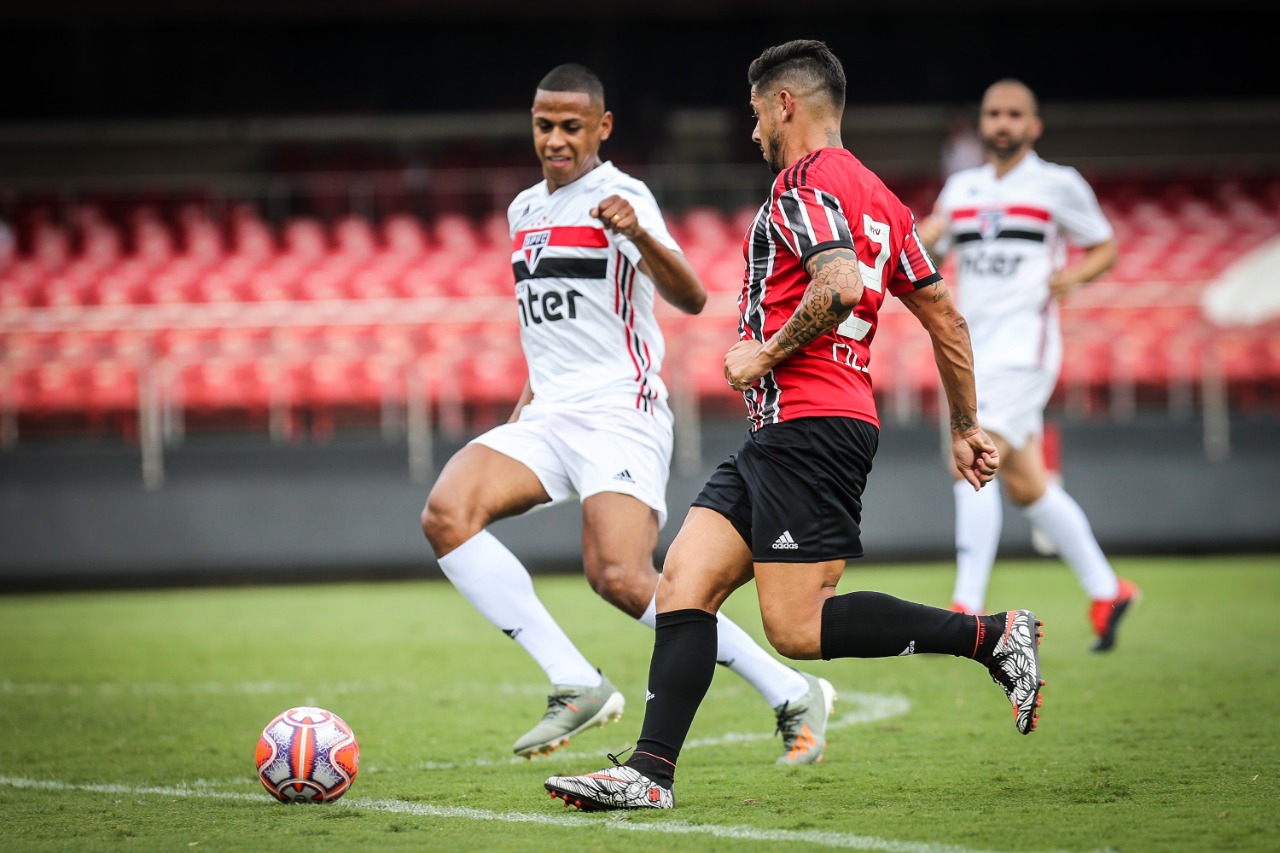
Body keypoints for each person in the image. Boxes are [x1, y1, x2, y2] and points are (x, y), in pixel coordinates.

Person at [544, 40, 1043, 812]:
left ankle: (992, 636)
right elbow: (943, 312)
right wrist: (965, 424)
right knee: (685, 581)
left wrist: (765, 352)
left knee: (797, 628)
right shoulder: (881, 197)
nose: (752, 135)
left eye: (755, 115)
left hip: (811, 422)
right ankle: (648, 772)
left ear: (785, 105)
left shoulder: (801, 185)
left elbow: (839, 283)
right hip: (788, 431)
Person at [420, 62, 837, 765]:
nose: (556, 139)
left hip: (622, 409)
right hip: (550, 412)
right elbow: (548, 333)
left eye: (571, 126)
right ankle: (574, 679)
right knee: (446, 512)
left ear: (602, 127)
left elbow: (694, 296)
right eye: (544, 125)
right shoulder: (524, 210)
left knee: (620, 575)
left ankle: (792, 688)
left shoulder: (622, 194)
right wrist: (525, 411)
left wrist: (639, 234)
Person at [914, 79, 1140, 653]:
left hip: (1024, 347)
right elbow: (930, 254)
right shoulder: (961, 187)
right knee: (1025, 485)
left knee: (970, 456)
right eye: (993, 113)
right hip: (974, 349)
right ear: (982, 123)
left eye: (1014, 113)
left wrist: (1075, 277)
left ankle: (966, 607)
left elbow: (1105, 246)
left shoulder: (1058, 184)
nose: (1003, 122)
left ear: (1034, 125)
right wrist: (930, 237)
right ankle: (1108, 589)